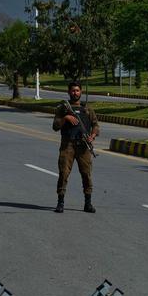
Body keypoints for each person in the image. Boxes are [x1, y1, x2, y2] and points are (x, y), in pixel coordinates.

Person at [52, 80, 99, 213]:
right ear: (69, 92)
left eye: (77, 90)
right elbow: (55, 126)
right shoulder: (63, 108)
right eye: (73, 90)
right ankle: (60, 202)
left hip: (83, 146)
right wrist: (65, 118)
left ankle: (88, 203)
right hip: (68, 145)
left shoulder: (87, 109)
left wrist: (92, 135)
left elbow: (95, 125)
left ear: (81, 92)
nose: (75, 93)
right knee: (64, 173)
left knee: (86, 174)